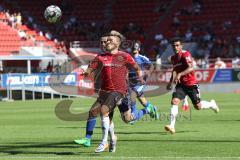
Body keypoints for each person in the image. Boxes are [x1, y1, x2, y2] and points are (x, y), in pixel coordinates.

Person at [74, 31, 157, 153]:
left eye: (110, 40)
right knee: (96, 112)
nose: (107, 42)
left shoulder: (124, 56)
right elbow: (91, 69)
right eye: (106, 41)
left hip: (121, 92)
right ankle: (97, 139)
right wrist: (85, 72)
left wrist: (140, 77)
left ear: (117, 44)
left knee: (115, 115)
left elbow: (137, 68)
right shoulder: (100, 57)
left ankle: (146, 110)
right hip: (105, 92)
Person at [165, 37, 219, 134]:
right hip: (181, 85)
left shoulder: (186, 54)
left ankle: (211, 104)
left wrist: (180, 74)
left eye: (177, 45)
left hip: (191, 84)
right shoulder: (173, 58)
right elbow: (174, 70)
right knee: (174, 101)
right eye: (174, 46)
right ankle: (172, 126)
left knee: (198, 106)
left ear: (181, 46)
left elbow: (191, 68)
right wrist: (170, 82)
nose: (175, 48)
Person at [128, 40, 159, 122]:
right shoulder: (128, 58)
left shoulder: (142, 58)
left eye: (136, 47)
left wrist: (148, 73)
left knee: (133, 94)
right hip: (131, 82)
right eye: (133, 47)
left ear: (139, 49)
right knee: (142, 100)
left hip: (140, 82)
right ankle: (151, 108)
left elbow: (151, 65)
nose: (134, 48)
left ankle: (134, 115)